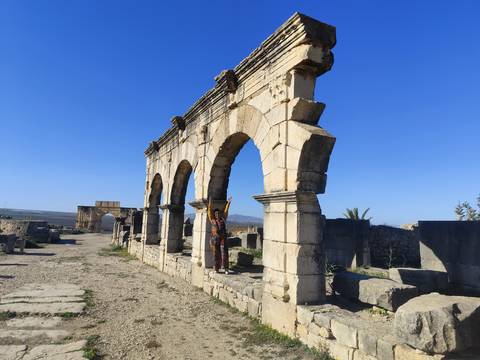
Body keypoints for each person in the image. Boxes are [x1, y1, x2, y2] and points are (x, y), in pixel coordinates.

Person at [208, 197, 232, 274]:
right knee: (215, 253)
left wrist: (228, 203)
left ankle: (226, 268)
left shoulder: (223, 218)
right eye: (216, 214)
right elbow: (209, 210)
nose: (217, 215)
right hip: (214, 239)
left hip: (223, 238)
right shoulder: (212, 219)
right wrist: (210, 203)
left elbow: (226, 210)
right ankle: (216, 268)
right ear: (214, 214)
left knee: (224, 252)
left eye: (218, 213)